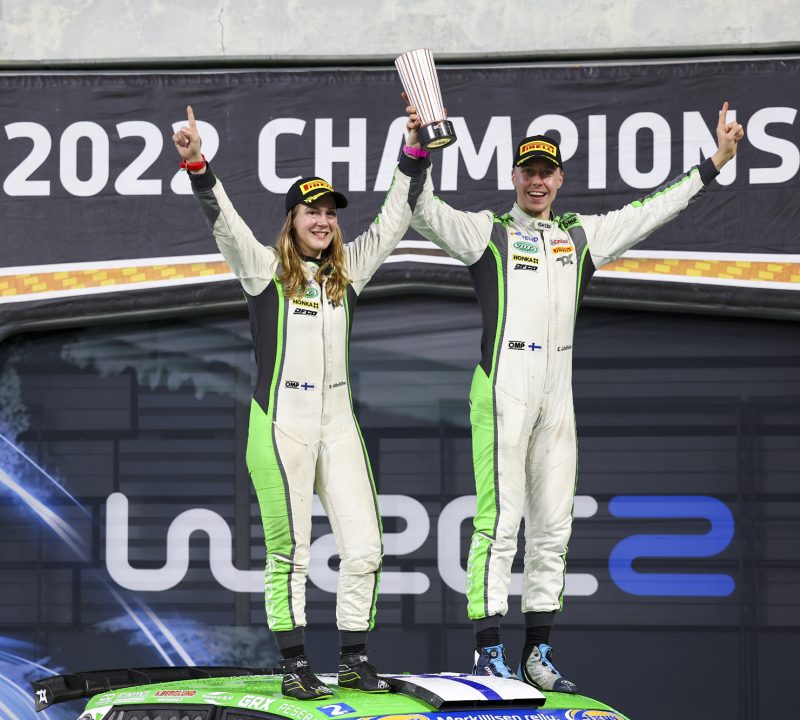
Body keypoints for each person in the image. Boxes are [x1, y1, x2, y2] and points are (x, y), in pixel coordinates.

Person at [405, 97, 744, 692]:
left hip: (556, 394)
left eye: (547, 172)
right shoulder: (488, 232)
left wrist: (715, 162)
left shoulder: (580, 236)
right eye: (528, 172)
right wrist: (416, 150)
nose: (537, 182)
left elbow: (652, 209)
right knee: (499, 520)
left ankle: (537, 652)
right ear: (514, 177)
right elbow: (422, 210)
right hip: (504, 389)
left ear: (560, 179)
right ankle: (488, 650)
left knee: (554, 526)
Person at [173, 105, 427, 700]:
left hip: (338, 423)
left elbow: (395, 218)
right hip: (280, 424)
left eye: (330, 212)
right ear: (292, 220)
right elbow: (223, 220)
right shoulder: (263, 268)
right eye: (312, 210)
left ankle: (353, 659)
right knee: (289, 553)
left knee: (366, 547)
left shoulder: (348, 272)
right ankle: (294, 664)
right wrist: (197, 164)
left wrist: (414, 151)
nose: (323, 220)